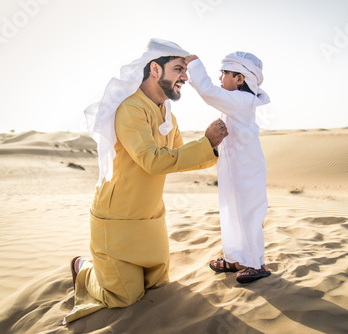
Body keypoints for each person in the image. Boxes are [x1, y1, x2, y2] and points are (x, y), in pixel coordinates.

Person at [64, 38, 228, 324]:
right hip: (117, 220)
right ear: (155, 69)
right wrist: (204, 143)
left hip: (151, 220)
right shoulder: (130, 109)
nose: (185, 77)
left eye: (185, 71)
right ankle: (85, 268)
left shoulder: (168, 116)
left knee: (158, 286)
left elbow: (177, 157)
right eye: (178, 68)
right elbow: (153, 160)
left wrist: (213, 149)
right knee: (123, 297)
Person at [185, 51, 271, 283]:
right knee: (231, 212)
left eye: (225, 73)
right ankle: (236, 259)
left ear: (240, 79)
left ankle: (256, 263)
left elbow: (208, 92)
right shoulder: (234, 101)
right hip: (232, 170)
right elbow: (209, 92)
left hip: (247, 170)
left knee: (248, 214)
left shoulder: (241, 101)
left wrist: (193, 64)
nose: (220, 77)